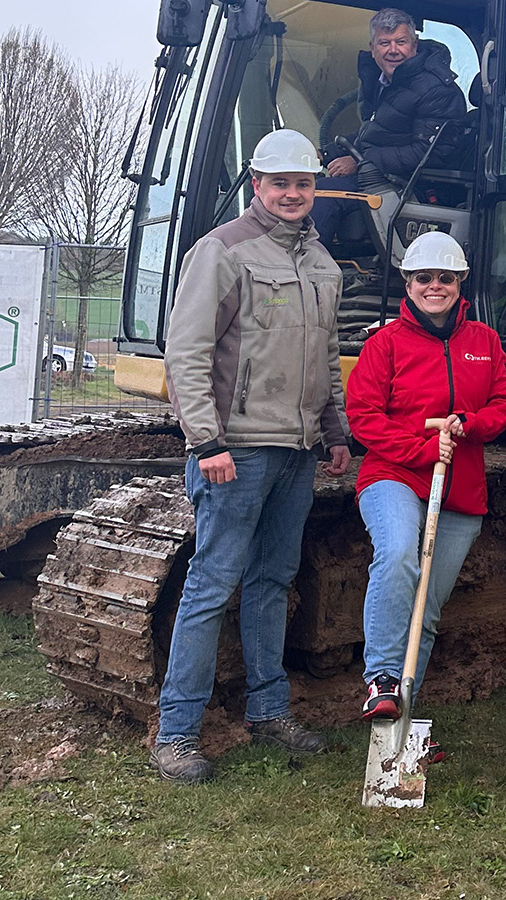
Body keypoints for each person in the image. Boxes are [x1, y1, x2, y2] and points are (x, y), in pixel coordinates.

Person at [153, 129, 351, 784]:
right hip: (234, 451)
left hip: (296, 453)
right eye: (280, 182)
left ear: (314, 188)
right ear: (257, 184)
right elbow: (186, 353)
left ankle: (269, 712)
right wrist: (204, 441)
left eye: (303, 183)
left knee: (272, 582)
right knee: (212, 584)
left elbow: (324, 358)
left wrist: (335, 431)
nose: (292, 193)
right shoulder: (222, 251)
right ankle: (176, 733)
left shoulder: (323, 264)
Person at [345, 231, 506, 726]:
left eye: (446, 277)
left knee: (429, 605)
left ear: (461, 281)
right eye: (424, 278)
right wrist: (423, 448)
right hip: (393, 474)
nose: (435, 286)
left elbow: (505, 404)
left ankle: (401, 717)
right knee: (400, 553)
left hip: (460, 487)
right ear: (408, 282)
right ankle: (381, 677)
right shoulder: (385, 344)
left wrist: (469, 422)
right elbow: (364, 417)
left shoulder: (484, 342)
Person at [310, 7, 466, 242]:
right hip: (383, 177)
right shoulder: (385, 84)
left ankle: (308, 268)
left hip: (415, 187)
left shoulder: (436, 90)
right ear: (373, 49)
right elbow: (377, 134)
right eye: (384, 43)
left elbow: (431, 153)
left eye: (400, 42)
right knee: (305, 188)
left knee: (323, 194)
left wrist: (361, 163)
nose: (393, 50)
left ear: (414, 45)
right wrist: (323, 154)